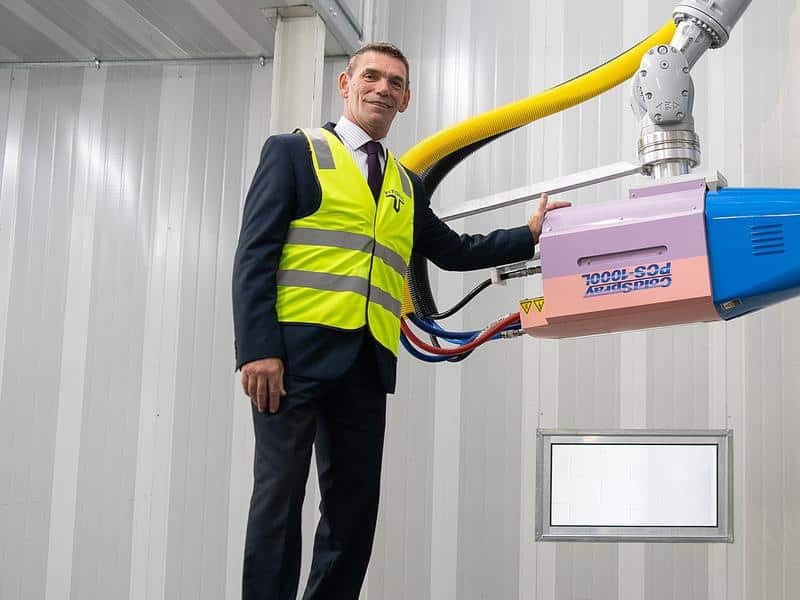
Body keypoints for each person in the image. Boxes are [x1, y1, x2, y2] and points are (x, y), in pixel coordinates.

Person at [232, 42, 569, 600]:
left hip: (366, 367)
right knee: (279, 497)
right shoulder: (295, 154)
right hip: (290, 361)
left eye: (395, 83)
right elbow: (254, 255)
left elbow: (453, 250)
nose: (382, 88)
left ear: (406, 100)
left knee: (354, 511)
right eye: (372, 76)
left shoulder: (404, 184)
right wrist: (255, 349)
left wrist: (529, 233)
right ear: (345, 84)